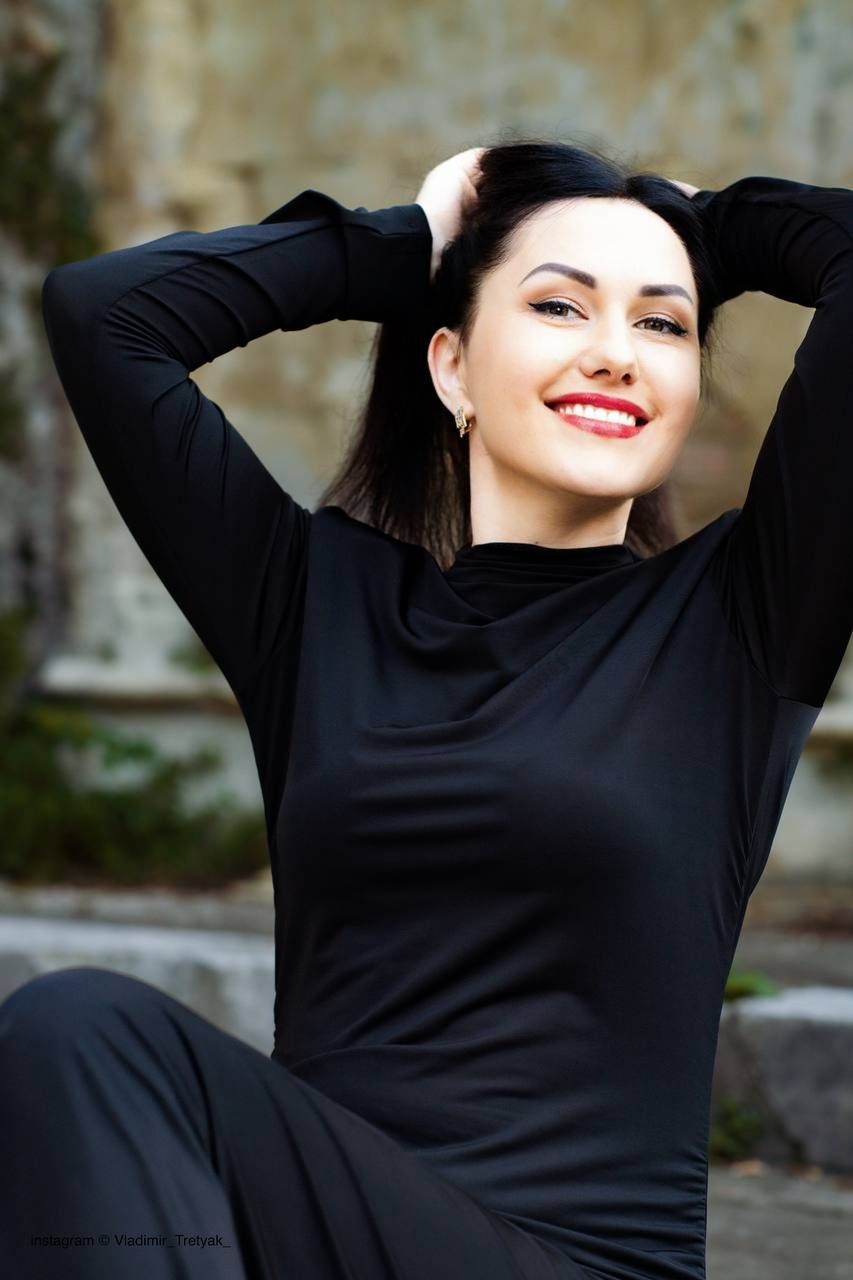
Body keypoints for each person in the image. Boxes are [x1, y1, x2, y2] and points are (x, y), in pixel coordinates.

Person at [1, 134, 851, 1280]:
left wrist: (713, 227)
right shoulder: (316, 606)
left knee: (85, 1028)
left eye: (663, 324)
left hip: (576, 1259)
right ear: (449, 366)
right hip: (313, 1233)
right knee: (70, 1046)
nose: (615, 353)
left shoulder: (739, 625)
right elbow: (107, 316)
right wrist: (405, 243)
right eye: (559, 306)